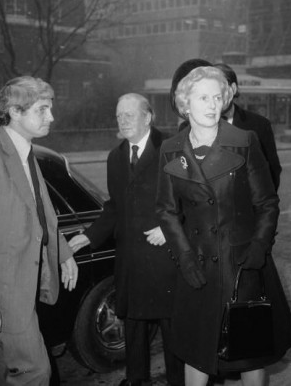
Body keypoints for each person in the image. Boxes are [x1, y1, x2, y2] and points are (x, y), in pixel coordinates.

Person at [156, 66, 291, 386]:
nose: (211, 104)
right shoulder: (171, 149)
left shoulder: (244, 141)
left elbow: (267, 203)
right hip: (198, 269)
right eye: (203, 97)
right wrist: (186, 258)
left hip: (242, 266)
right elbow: (166, 211)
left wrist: (258, 249)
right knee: (197, 352)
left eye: (217, 97)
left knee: (250, 353)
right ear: (185, 103)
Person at [0, 76, 78, 385]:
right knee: (36, 371)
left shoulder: (25, 151)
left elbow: (43, 212)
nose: (51, 117)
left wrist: (64, 253)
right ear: (15, 111)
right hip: (5, 290)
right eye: (42, 109)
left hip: (23, 284)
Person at [68, 93, 184, 386]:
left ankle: (179, 381)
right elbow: (114, 208)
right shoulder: (116, 156)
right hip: (131, 257)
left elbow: (192, 200)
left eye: (129, 115)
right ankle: (136, 379)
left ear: (147, 117)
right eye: (119, 116)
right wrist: (87, 237)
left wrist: (169, 228)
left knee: (171, 326)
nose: (122, 121)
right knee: (132, 323)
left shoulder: (172, 149)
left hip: (164, 257)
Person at [173, 60, 281, 191]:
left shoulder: (259, 125)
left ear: (233, 89)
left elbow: (272, 172)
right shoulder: (187, 127)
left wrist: (256, 209)